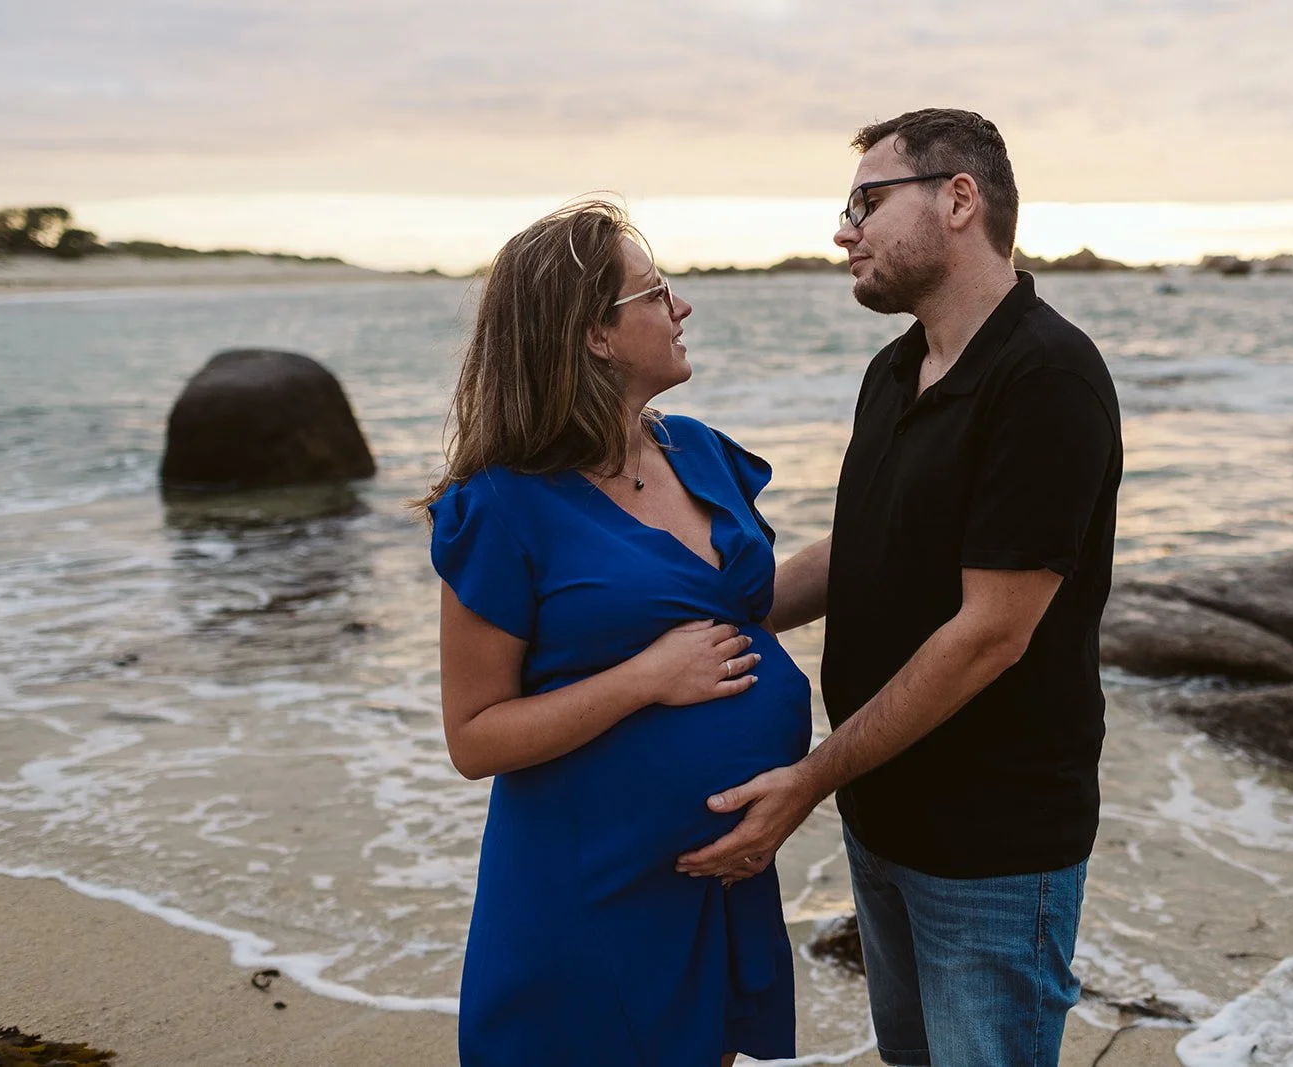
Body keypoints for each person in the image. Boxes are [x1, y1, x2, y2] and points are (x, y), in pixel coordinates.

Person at [676, 109, 1124, 1066]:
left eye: (865, 203)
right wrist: (704, 619)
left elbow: (991, 633)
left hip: (992, 846)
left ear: (959, 200)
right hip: (881, 820)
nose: (844, 232)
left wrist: (810, 779)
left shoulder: (1047, 375)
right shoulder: (895, 369)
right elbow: (863, 544)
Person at [419, 201, 812, 1067]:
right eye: (657, 292)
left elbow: (743, 611)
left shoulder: (701, 454)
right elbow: (474, 736)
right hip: (587, 894)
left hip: (720, 873)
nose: (682, 307)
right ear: (595, 334)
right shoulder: (502, 507)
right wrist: (643, 679)